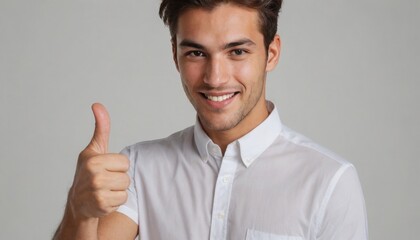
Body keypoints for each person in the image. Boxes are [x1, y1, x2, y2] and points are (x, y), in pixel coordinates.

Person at [54, 0, 368, 239]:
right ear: (175, 54)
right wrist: (79, 212)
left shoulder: (329, 181)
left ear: (271, 53)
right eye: (197, 53)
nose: (215, 78)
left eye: (237, 52)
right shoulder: (139, 168)